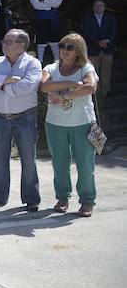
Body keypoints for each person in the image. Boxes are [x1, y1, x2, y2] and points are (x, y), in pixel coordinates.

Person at [0, 29, 42, 211]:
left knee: (28, 161)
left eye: (9, 42)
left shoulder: (33, 63)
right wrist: (9, 80)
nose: (4, 45)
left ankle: (31, 198)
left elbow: (28, 86)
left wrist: (1, 86)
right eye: (4, 41)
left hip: (25, 118)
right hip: (0, 119)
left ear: (21, 45)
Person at [40, 33, 99, 217]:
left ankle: (87, 201)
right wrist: (72, 84)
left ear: (79, 50)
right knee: (59, 163)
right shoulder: (50, 67)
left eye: (70, 47)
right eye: (62, 45)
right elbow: (45, 86)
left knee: (85, 165)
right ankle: (63, 197)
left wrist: (63, 95)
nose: (64, 50)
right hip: (55, 124)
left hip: (82, 122)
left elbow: (90, 87)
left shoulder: (86, 68)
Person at [83, 0, 116, 99]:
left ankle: (105, 90)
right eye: (96, 5)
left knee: (106, 71)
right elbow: (86, 32)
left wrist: (107, 40)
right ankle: (95, 93)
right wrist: (97, 42)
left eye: (101, 5)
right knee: (93, 71)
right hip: (93, 49)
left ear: (104, 7)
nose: (98, 7)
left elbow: (113, 31)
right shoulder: (88, 18)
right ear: (93, 7)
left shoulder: (110, 17)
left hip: (107, 48)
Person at [30, 0, 63, 64]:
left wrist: (44, 1)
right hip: (40, 19)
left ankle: (57, 62)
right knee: (41, 41)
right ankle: (40, 62)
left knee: (54, 40)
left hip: (53, 19)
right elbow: (36, 5)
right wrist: (50, 4)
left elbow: (58, 3)